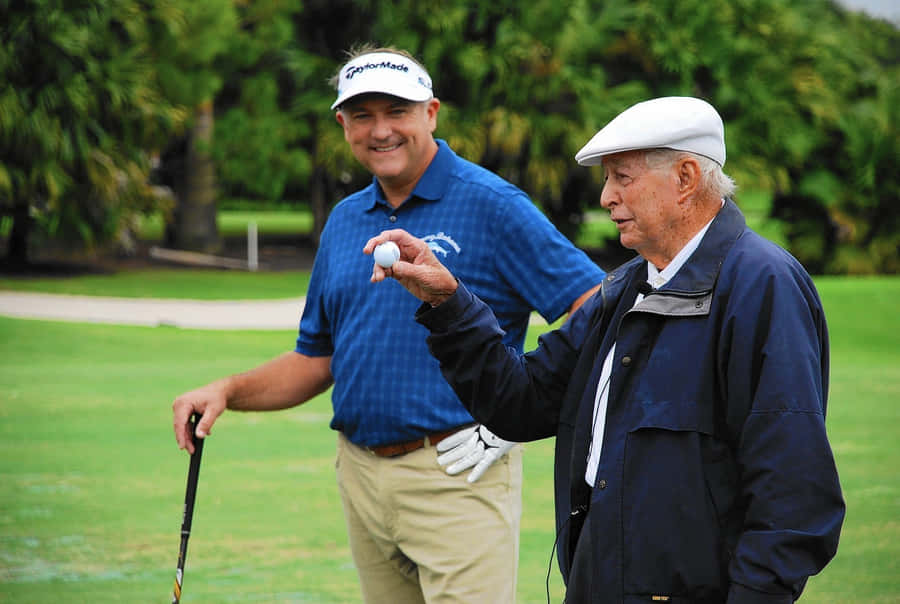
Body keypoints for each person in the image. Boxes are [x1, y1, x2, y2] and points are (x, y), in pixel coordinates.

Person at [366, 96, 845, 603]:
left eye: (622, 177)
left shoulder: (761, 285)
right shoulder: (624, 290)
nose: (605, 197)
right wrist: (448, 302)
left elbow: (792, 492)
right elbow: (520, 403)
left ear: (685, 179)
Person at [171, 44, 605, 604]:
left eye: (397, 111)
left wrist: (516, 412)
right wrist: (227, 391)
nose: (381, 130)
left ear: (431, 113)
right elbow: (316, 359)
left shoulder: (493, 204)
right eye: (363, 115)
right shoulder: (345, 219)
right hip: (360, 478)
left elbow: (595, 304)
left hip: (459, 475)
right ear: (342, 124)